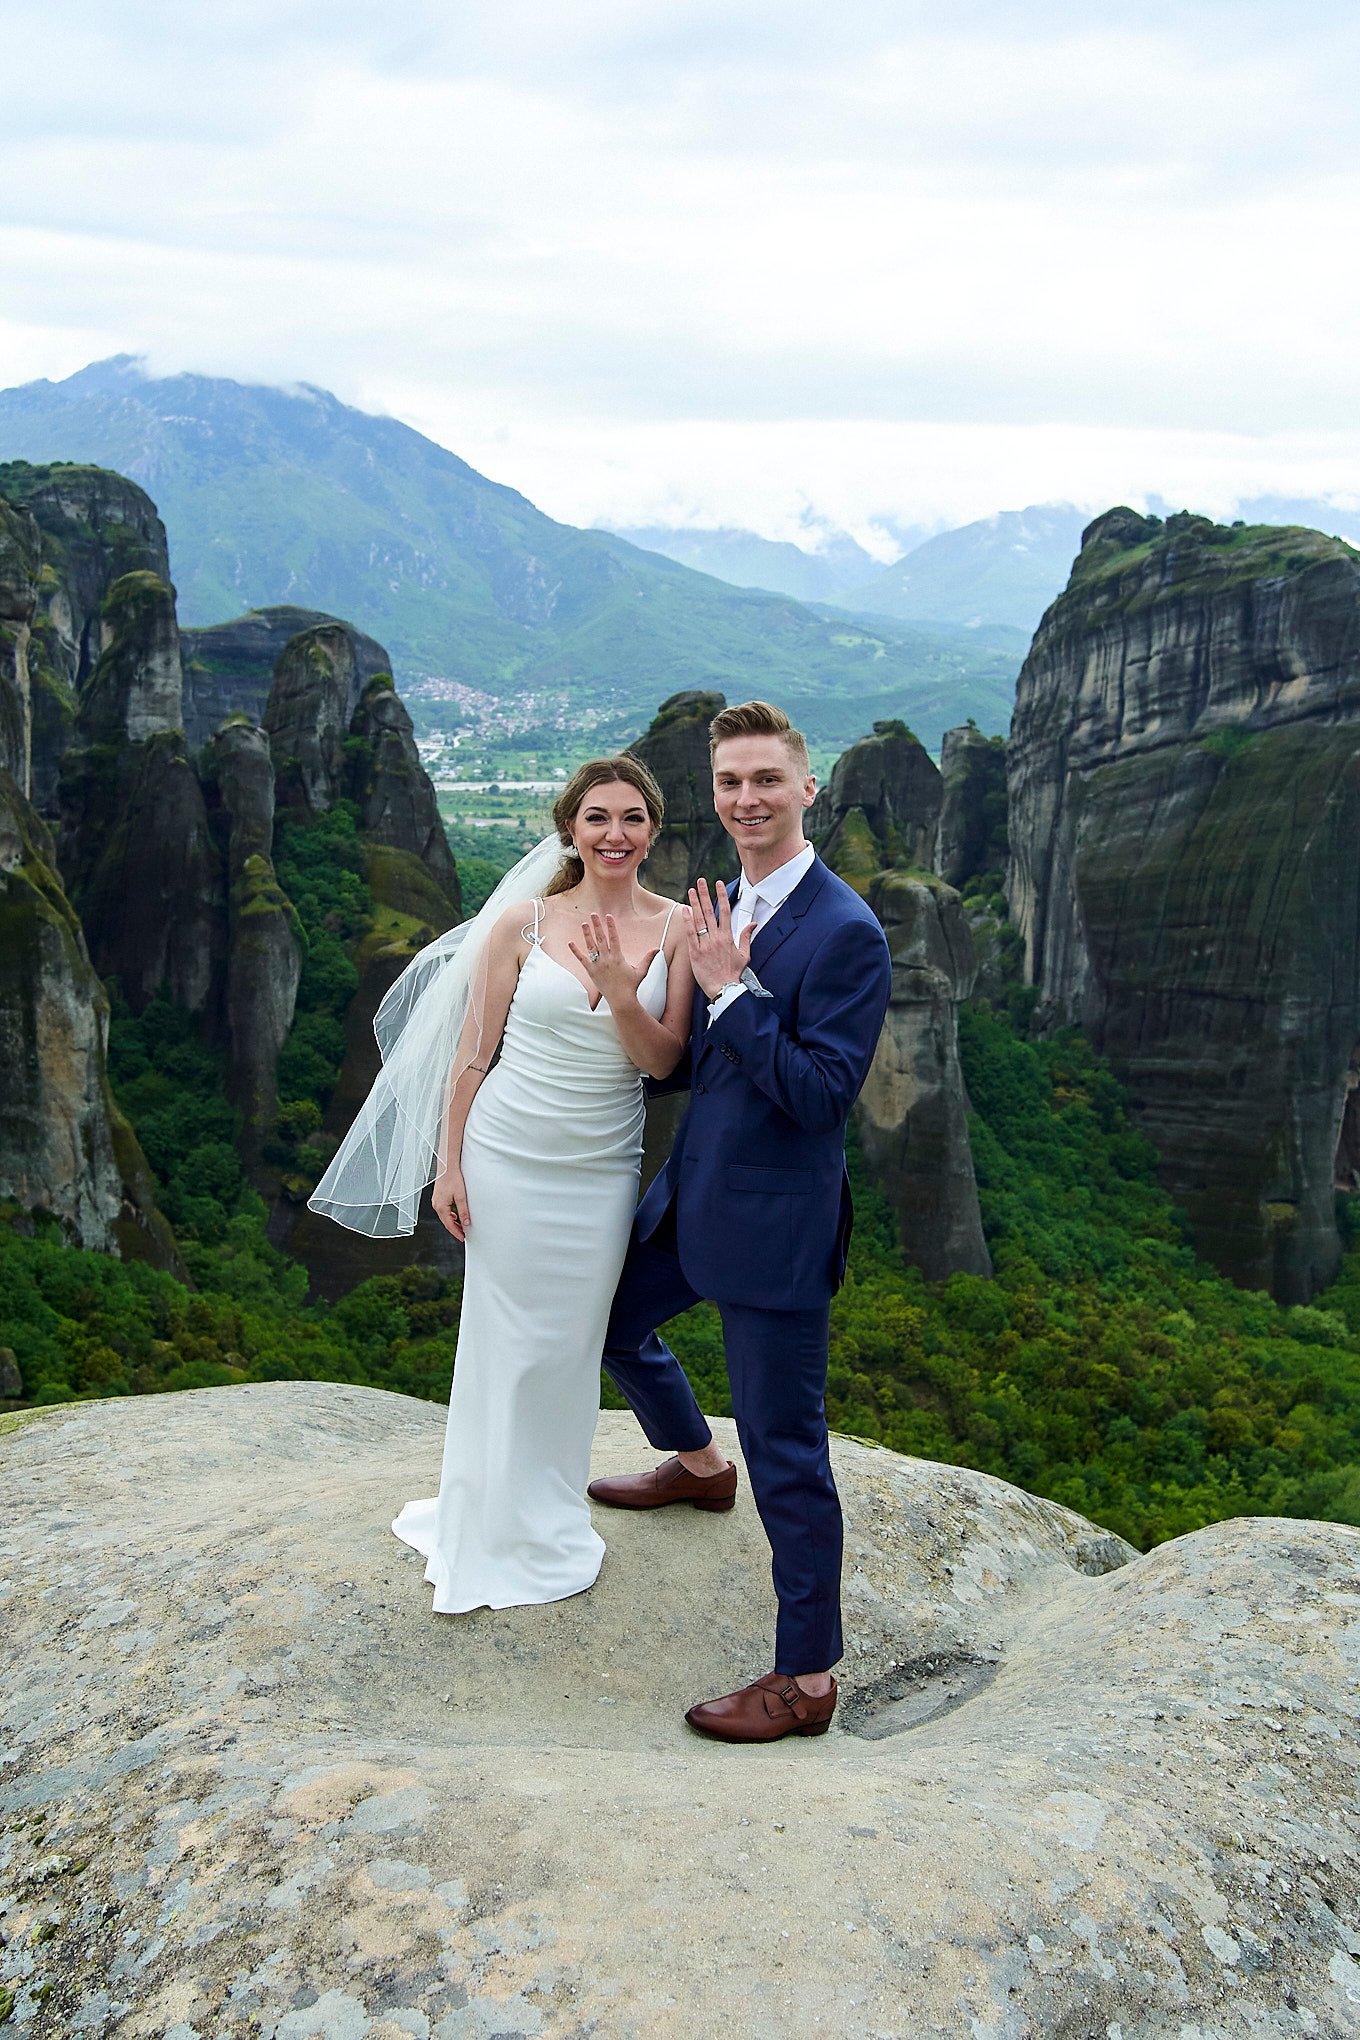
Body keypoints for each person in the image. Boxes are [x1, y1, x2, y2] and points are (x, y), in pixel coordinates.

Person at [308, 756, 692, 1613]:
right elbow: (473, 1053)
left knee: (566, 1345)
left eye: (632, 818)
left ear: (653, 830)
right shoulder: (520, 923)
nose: (615, 834)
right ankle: (485, 1515)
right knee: (504, 1341)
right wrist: (449, 1164)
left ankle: (545, 1514)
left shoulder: (675, 932)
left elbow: (665, 1062)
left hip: (599, 1166)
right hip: (507, 1151)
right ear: (570, 828)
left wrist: (624, 994)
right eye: (597, 818)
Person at [589, 699, 893, 1743]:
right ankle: (694, 1467)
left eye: (767, 781)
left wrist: (733, 990)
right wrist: (632, 1000)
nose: (747, 800)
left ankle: (804, 1680)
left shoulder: (846, 931)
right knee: (610, 1323)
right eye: (729, 784)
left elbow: (819, 1095)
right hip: (692, 1196)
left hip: (773, 1230)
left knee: (789, 1451)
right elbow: (681, 1067)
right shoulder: (720, 903)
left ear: (807, 790)